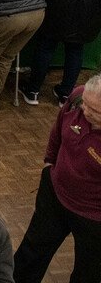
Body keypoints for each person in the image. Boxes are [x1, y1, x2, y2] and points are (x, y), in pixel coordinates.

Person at [13, 74, 101, 283]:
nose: (85, 111)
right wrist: (49, 163)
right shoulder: (78, 98)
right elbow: (57, 131)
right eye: (85, 105)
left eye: (95, 111)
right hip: (55, 194)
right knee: (30, 254)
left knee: (88, 273)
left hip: (94, 218)